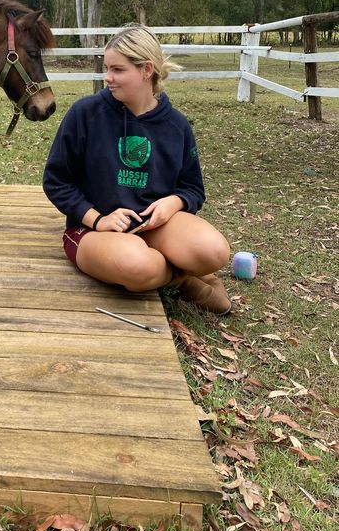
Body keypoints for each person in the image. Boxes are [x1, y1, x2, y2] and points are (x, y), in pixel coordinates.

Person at [43, 25, 232, 314]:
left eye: (118, 69)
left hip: (152, 227)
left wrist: (174, 203)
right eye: (107, 68)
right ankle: (183, 279)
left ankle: (175, 270)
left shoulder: (176, 125)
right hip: (92, 231)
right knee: (141, 267)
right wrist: (98, 219)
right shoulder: (85, 114)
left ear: (146, 69)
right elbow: (56, 181)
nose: (108, 78)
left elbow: (193, 188)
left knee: (214, 251)